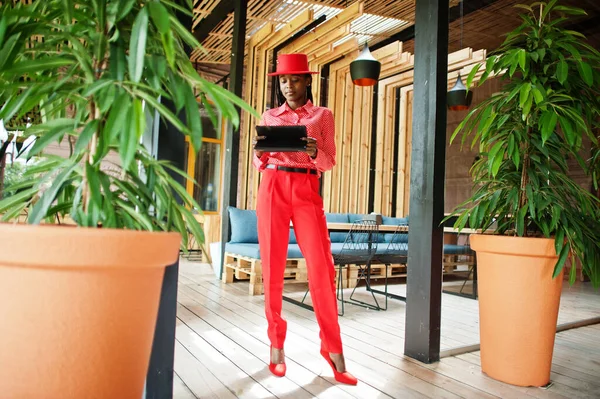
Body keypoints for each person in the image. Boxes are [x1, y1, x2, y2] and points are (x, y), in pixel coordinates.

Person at [252, 53, 357, 385]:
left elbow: (328, 161)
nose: (288, 85)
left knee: (322, 268)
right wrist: (260, 152)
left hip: (307, 187)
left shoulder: (322, 115)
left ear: (308, 80)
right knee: (272, 267)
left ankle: (333, 349)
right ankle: (276, 346)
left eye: (295, 79)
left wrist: (314, 152)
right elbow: (259, 161)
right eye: (283, 80)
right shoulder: (270, 115)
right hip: (272, 186)